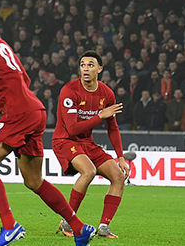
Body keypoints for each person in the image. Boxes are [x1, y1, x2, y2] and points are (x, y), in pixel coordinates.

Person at [0, 4, 96, 246]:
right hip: (34, 108)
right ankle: (79, 228)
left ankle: (9, 226)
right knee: (33, 181)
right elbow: (24, 76)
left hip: (18, 112)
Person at [53, 51, 129, 239]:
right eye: (83, 65)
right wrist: (99, 116)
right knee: (89, 171)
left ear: (100, 69)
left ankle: (104, 226)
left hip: (87, 143)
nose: (85, 68)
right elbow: (71, 129)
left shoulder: (106, 93)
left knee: (119, 177)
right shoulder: (69, 91)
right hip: (65, 140)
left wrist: (120, 156)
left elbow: (113, 127)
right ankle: (67, 222)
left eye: (90, 65)